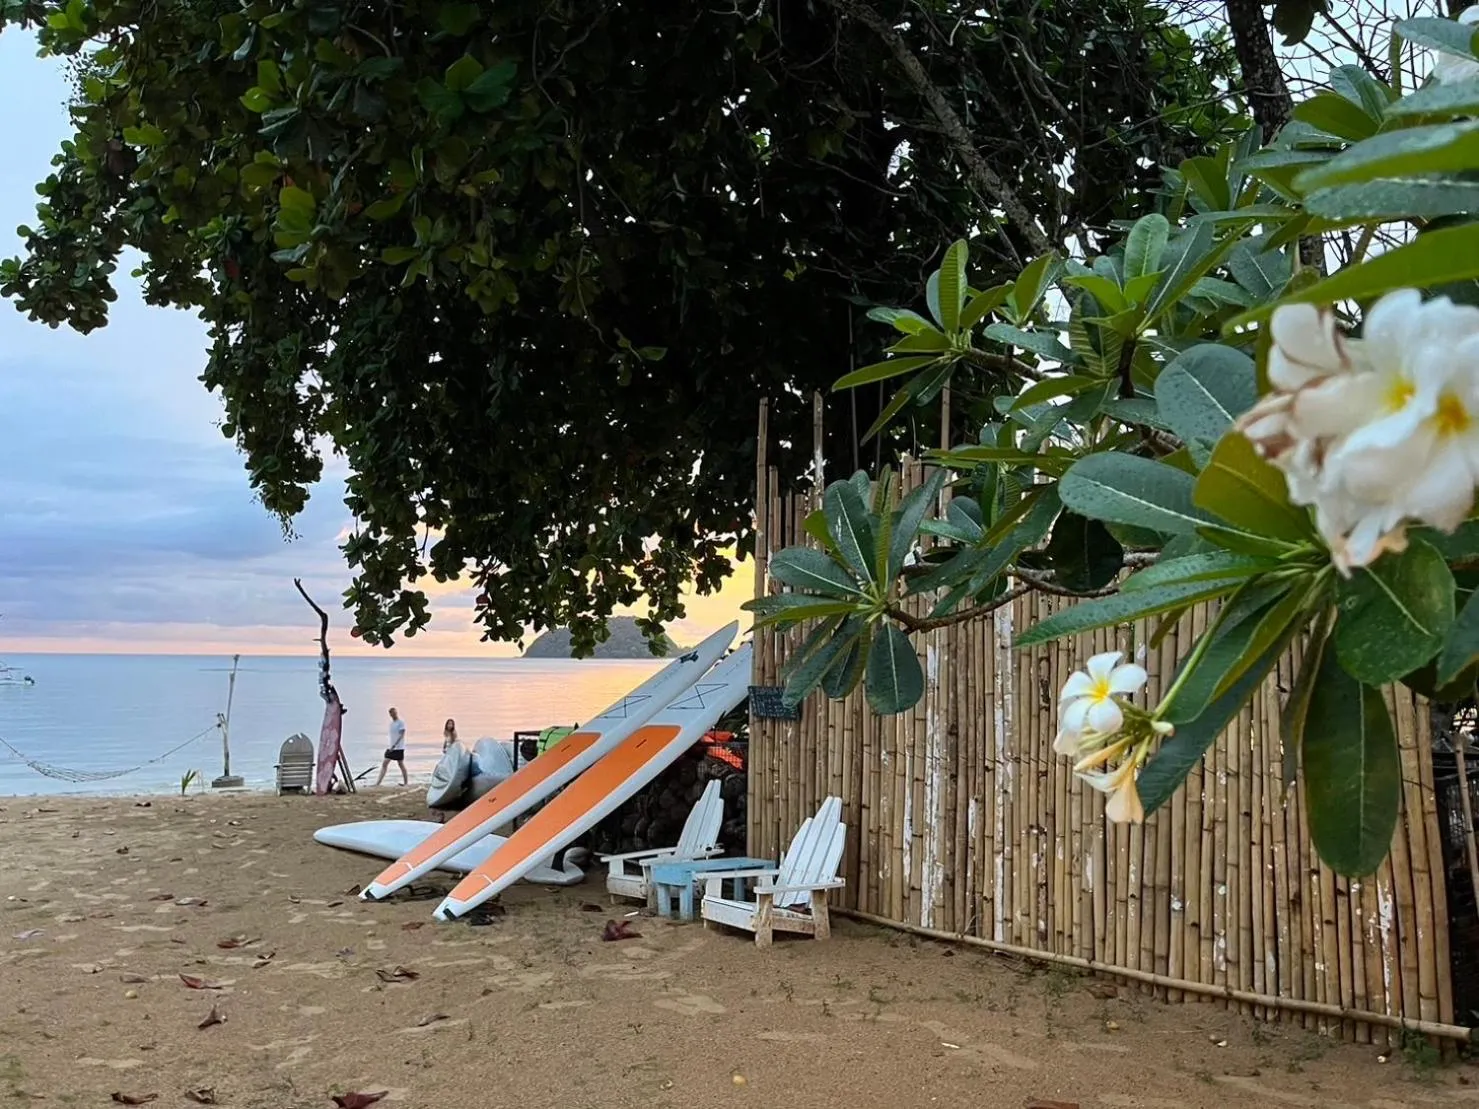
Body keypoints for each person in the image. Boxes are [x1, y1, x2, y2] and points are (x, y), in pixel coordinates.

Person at [375, 707, 409, 786]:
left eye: (395, 713)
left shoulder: (401, 723)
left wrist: (395, 745)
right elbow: (392, 736)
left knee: (400, 764)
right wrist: (391, 745)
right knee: (385, 763)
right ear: (390, 714)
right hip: (391, 747)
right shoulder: (391, 724)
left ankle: (406, 783)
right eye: (392, 713)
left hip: (399, 748)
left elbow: (402, 735)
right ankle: (378, 783)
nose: (394, 714)